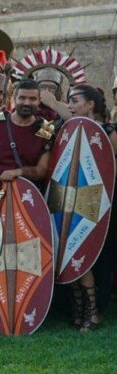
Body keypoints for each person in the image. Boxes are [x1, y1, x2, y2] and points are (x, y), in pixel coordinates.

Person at [61, 85, 116, 331]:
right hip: (65, 198)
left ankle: (92, 312)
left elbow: (110, 171)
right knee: (67, 252)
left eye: (75, 100)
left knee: (84, 253)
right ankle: (78, 309)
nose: (70, 105)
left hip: (94, 199)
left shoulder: (108, 131)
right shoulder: (63, 129)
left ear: (90, 104)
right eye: (68, 101)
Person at [0, 79, 53, 195]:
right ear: (14, 98)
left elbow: (42, 170)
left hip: (27, 195)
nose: (27, 103)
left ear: (39, 100)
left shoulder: (45, 128)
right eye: (22, 98)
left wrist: (18, 172)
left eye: (32, 99)